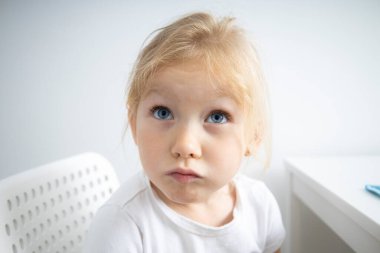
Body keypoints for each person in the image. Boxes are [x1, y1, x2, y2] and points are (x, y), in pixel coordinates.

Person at [83, 12, 285, 253]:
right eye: (163, 113)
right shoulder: (121, 226)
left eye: (216, 117)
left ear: (254, 135)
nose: (185, 146)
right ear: (134, 124)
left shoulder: (260, 205)